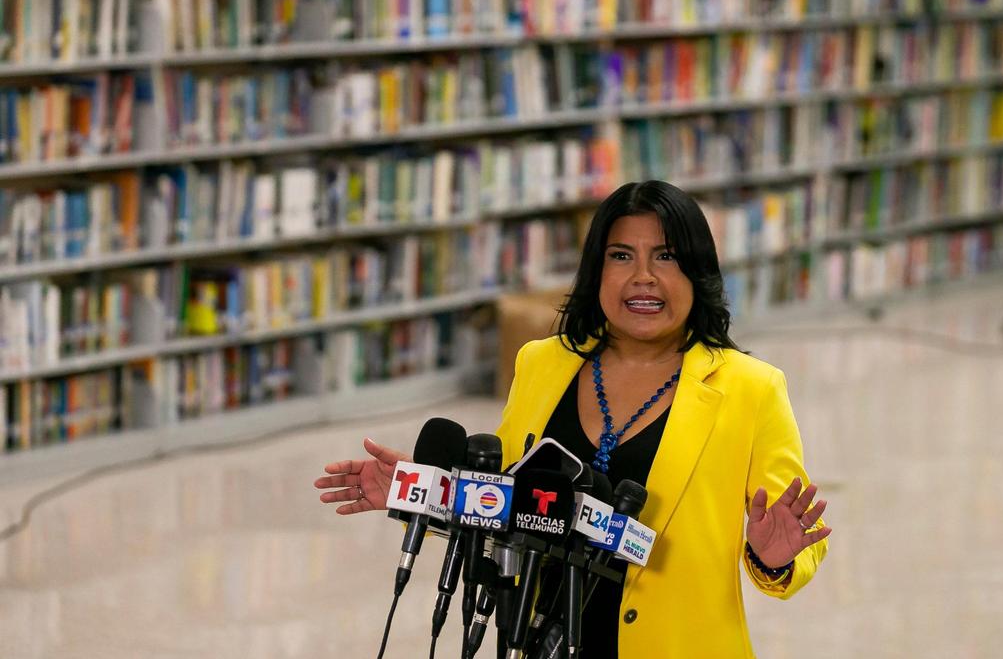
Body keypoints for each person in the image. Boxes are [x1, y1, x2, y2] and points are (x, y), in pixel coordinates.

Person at [315, 180, 831, 658]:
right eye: (621, 256)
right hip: (534, 640)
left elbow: (802, 535)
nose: (643, 277)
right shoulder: (542, 364)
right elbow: (501, 498)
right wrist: (422, 489)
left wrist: (773, 557)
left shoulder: (751, 388)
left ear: (698, 273)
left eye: (667, 256)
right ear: (596, 270)